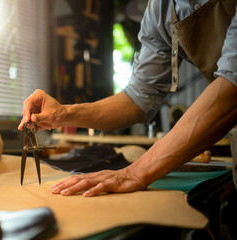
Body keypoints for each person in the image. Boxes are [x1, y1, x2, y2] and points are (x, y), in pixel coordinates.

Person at [18, 0, 237, 197]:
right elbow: (137, 99)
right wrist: (64, 114)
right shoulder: (159, 10)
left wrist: (134, 172)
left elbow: (232, 87)